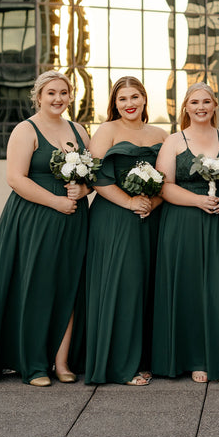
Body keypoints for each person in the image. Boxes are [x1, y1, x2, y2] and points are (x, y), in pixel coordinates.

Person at [0, 70, 91, 387]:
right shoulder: (25, 130)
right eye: (51, 93)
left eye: (64, 93)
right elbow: (16, 179)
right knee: (37, 287)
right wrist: (56, 202)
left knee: (69, 287)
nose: (58, 98)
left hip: (73, 219)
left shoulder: (80, 131)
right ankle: (33, 365)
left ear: (71, 96)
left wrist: (83, 191)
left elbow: (91, 176)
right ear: (39, 96)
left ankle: (61, 361)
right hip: (36, 218)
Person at [152, 82, 219, 383]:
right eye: (194, 102)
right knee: (188, 289)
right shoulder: (174, 141)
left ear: (215, 105)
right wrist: (199, 200)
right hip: (183, 223)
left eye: (206, 101)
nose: (200, 107)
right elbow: (164, 187)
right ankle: (195, 358)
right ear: (185, 108)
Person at [83, 76, 167, 386]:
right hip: (115, 217)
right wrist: (130, 201)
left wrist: (152, 204)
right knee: (124, 286)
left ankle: (146, 359)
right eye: (122, 99)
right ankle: (121, 364)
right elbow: (97, 177)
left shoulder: (160, 133)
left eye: (134, 97)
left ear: (145, 99)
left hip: (152, 217)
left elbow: (168, 177)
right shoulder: (107, 130)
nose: (129, 103)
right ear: (114, 104)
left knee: (148, 286)